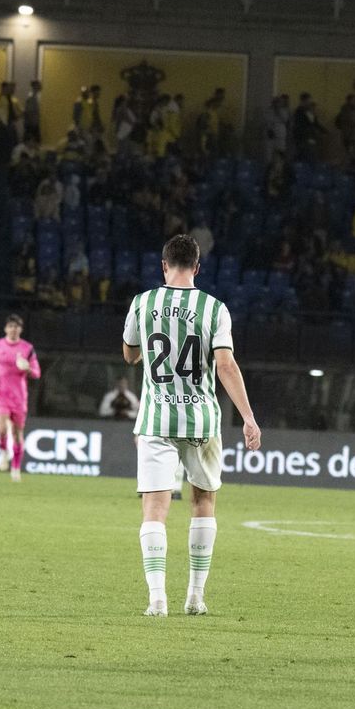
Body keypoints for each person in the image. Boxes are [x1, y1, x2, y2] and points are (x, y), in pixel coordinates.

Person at [122, 233, 260, 617]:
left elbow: (130, 354)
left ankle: (156, 599)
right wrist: (248, 418)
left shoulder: (142, 303)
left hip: (155, 419)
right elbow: (226, 365)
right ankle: (195, 597)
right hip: (201, 421)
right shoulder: (215, 309)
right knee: (203, 503)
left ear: (164, 265)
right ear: (197, 267)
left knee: (154, 509)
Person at [0, 315, 40, 481]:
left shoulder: (27, 348)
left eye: (17, 326)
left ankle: (15, 469)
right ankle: (4, 451)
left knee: (17, 432)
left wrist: (27, 369)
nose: (13, 329)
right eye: (10, 326)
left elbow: (37, 372)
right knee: (2, 428)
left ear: (21, 329)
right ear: (5, 328)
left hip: (19, 397)